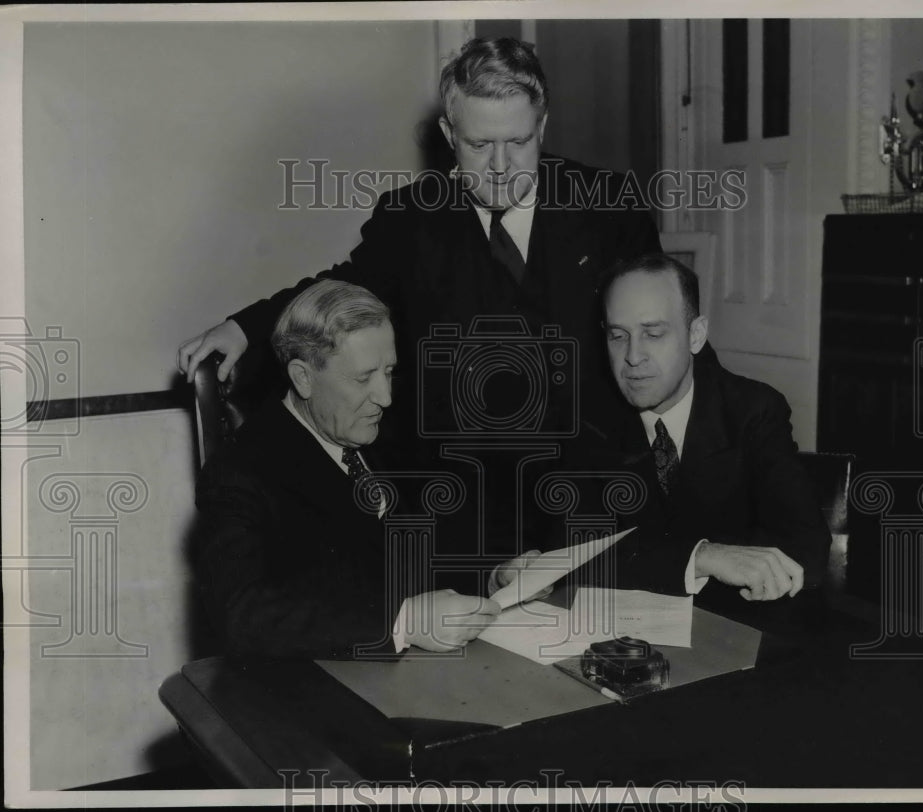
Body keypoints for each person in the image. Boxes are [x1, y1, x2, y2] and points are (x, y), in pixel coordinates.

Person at [176, 36, 660, 433]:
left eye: (517, 142)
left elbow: (669, 331)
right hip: (461, 486)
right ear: (450, 137)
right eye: (478, 145)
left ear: (542, 126)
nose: (499, 167)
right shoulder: (409, 219)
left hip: (592, 476)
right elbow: (340, 292)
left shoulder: (609, 206)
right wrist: (245, 327)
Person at [498, 253, 832, 604]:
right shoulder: (586, 419)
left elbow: (807, 549)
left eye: (653, 333)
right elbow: (571, 557)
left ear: (696, 335)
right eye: (617, 336)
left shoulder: (754, 411)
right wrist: (703, 557)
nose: (632, 356)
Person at [195, 280, 503, 659]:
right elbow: (242, 616)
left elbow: (416, 553)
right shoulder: (239, 472)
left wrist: (491, 577)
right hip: (312, 695)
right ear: (303, 377)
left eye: (388, 371)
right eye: (363, 378)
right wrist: (402, 624)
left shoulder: (378, 432)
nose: (385, 397)